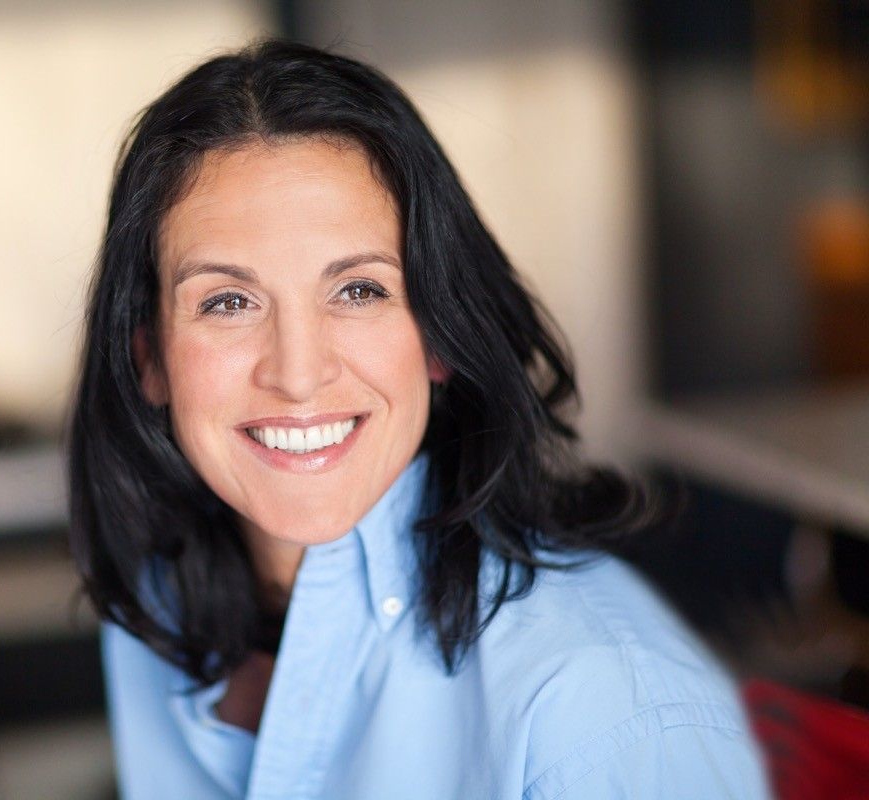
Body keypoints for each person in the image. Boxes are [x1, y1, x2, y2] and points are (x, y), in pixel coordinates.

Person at [65, 38, 770, 799]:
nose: (298, 375)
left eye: (359, 290)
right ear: (150, 359)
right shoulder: (153, 613)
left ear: (440, 333)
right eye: (228, 302)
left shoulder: (605, 713)